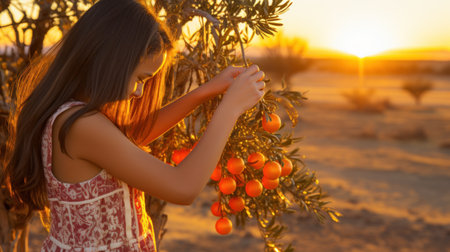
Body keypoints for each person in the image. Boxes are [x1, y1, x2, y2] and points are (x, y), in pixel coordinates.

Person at [2, 0, 265, 251]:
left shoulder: (72, 116)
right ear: (112, 61)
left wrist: (203, 93)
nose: (140, 92)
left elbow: (134, 137)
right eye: (140, 78)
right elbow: (183, 187)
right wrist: (230, 108)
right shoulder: (81, 126)